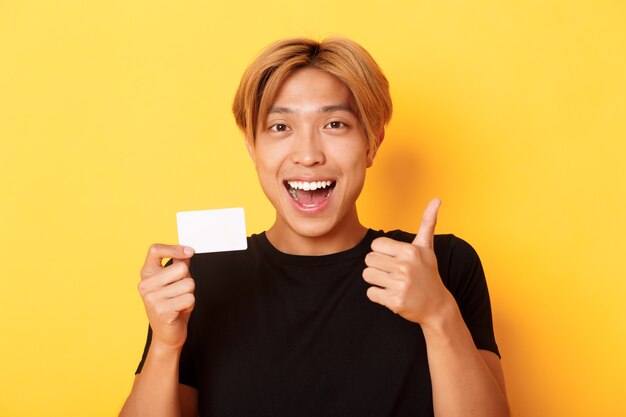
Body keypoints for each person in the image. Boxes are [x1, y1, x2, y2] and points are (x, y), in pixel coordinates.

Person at [119, 37, 510, 417]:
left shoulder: (442, 264)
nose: (308, 155)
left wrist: (439, 314)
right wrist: (166, 347)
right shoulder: (203, 276)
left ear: (372, 143)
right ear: (252, 148)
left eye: (335, 123)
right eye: (279, 127)